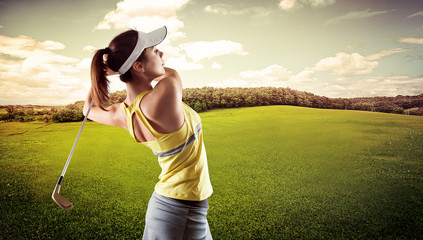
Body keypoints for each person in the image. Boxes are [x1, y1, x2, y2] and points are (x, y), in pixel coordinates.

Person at [83, 26, 213, 240]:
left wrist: (105, 73)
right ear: (138, 66)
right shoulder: (165, 92)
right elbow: (172, 73)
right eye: (154, 51)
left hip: (173, 206)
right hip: (182, 211)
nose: (162, 54)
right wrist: (114, 69)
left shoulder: (121, 113)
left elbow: (86, 108)